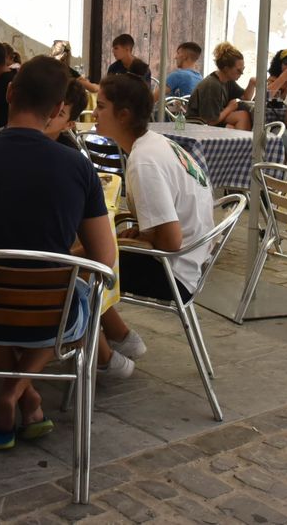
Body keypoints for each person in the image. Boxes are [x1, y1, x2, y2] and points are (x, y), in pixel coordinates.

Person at [0, 57, 115, 448]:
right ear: (59, 108)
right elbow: (104, 257)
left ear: (9, 93)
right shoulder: (78, 167)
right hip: (53, 320)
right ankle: (21, 395)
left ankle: (15, 395)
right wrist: (54, 260)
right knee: (67, 300)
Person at [91, 70, 218, 380]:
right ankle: (122, 338)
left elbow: (171, 241)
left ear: (123, 115)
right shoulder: (155, 143)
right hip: (193, 259)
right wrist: (143, 233)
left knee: (82, 265)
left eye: (101, 106)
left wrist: (137, 242)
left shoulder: (144, 160)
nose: (94, 112)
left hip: (175, 272)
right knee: (95, 252)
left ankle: (108, 361)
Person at [186, 42, 252, 129]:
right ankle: (243, 142)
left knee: (242, 115)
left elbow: (245, 97)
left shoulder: (228, 81)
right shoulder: (212, 85)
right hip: (197, 125)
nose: (242, 73)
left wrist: (252, 82)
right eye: (238, 70)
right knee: (238, 120)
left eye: (243, 69)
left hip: (211, 122)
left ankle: (242, 142)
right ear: (226, 69)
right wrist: (229, 108)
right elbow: (211, 121)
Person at [41, 75, 89, 152]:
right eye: (49, 105)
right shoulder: (20, 138)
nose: (49, 114)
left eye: (60, 113)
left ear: (68, 125)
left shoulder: (70, 157)